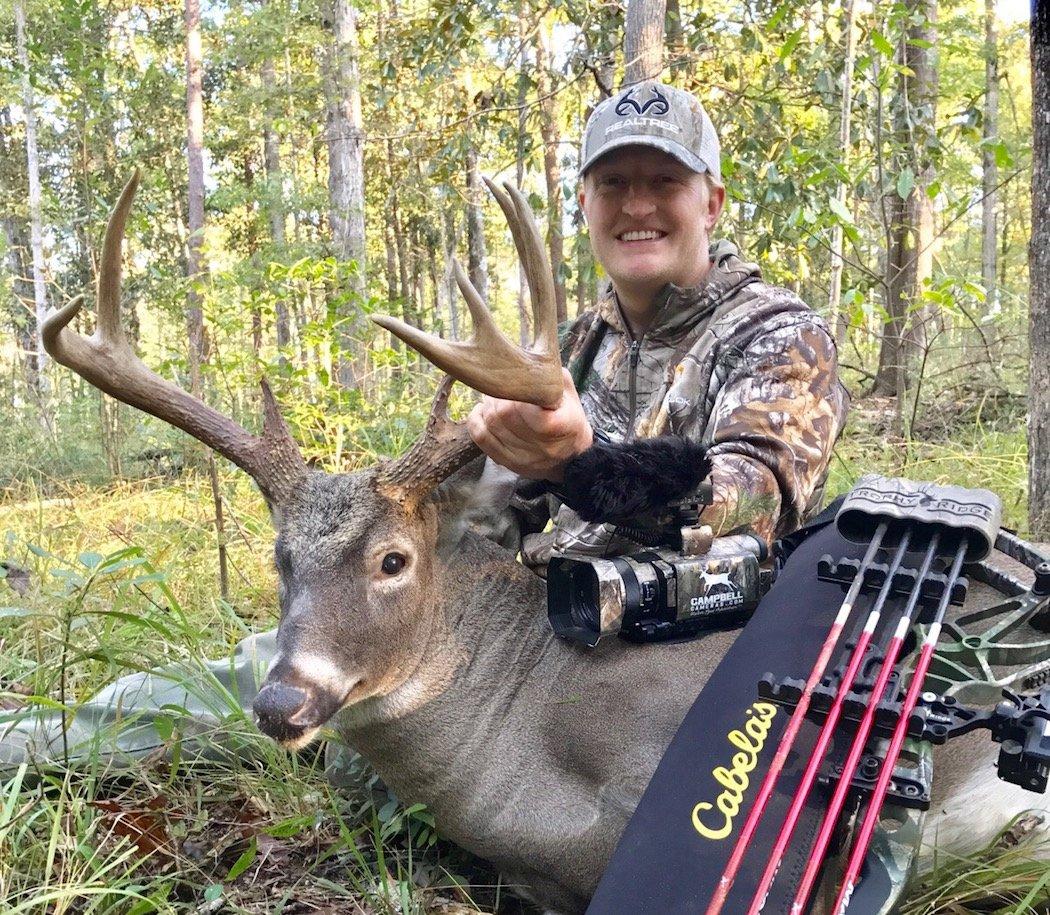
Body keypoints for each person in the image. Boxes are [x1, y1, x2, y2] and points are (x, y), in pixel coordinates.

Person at [0, 79, 847, 774]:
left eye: (664, 182)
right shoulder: (573, 346)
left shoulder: (778, 335)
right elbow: (487, 511)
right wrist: (426, 491)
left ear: (713, 200)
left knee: (352, 754)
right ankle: (39, 734)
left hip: (652, 651)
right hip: (522, 614)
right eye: (613, 183)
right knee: (277, 657)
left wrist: (584, 466)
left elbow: (757, 499)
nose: (638, 206)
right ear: (585, 201)